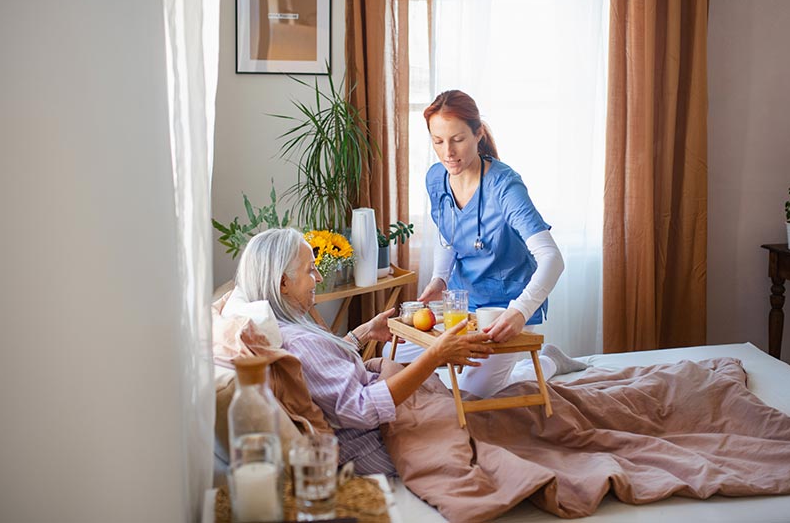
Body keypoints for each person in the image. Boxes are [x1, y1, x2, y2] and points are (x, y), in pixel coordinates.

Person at [233, 228, 495, 476]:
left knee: (490, 411)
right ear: (283, 284)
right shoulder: (298, 341)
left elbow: (322, 370)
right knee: (498, 428)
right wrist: (434, 355)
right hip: (377, 441)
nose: (319, 278)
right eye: (311, 270)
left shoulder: (285, 329)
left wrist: (363, 332)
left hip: (377, 428)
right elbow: (362, 409)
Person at [387, 89, 578, 397]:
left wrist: (519, 312)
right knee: (390, 359)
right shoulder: (436, 178)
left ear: (478, 133)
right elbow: (447, 236)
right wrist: (439, 279)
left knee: (473, 392)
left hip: (506, 309)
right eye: (438, 141)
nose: (448, 151)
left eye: (457, 139)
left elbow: (552, 258)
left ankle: (547, 361)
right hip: (462, 309)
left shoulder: (505, 187)